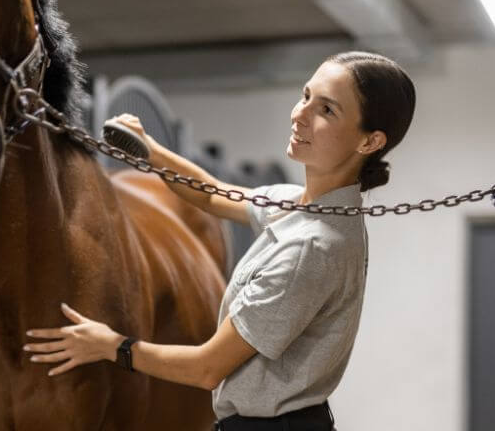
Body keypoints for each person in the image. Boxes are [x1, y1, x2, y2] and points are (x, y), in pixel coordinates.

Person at [23, 51, 416, 430]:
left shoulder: (311, 247)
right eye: (306, 96)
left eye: (326, 110)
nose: (300, 116)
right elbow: (213, 194)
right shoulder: (299, 204)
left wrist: (111, 346)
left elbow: (207, 368)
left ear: (369, 142)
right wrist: (153, 151)